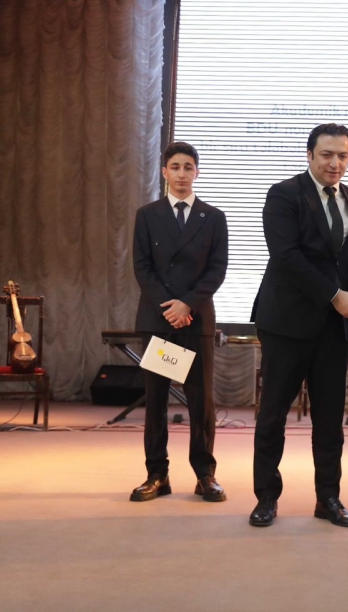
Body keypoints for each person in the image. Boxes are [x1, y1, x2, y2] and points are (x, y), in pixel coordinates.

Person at [249, 123, 348, 528]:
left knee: (330, 419)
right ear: (310, 155)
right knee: (273, 415)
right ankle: (266, 497)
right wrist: (335, 295)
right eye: (327, 155)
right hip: (286, 322)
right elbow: (286, 256)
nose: (335, 163)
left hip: (333, 329)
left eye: (343, 156)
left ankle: (328, 498)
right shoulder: (284, 194)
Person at [130, 141, 229, 503]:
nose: (182, 174)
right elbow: (142, 267)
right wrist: (170, 308)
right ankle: (157, 475)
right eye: (175, 167)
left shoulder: (213, 217)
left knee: (201, 403)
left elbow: (217, 269)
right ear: (164, 172)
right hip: (160, 321)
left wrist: (187, 304)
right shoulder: (147, 215)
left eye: (188, 167)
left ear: (197, 172)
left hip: (196, 321)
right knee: (156, 401)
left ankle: (205, 475)